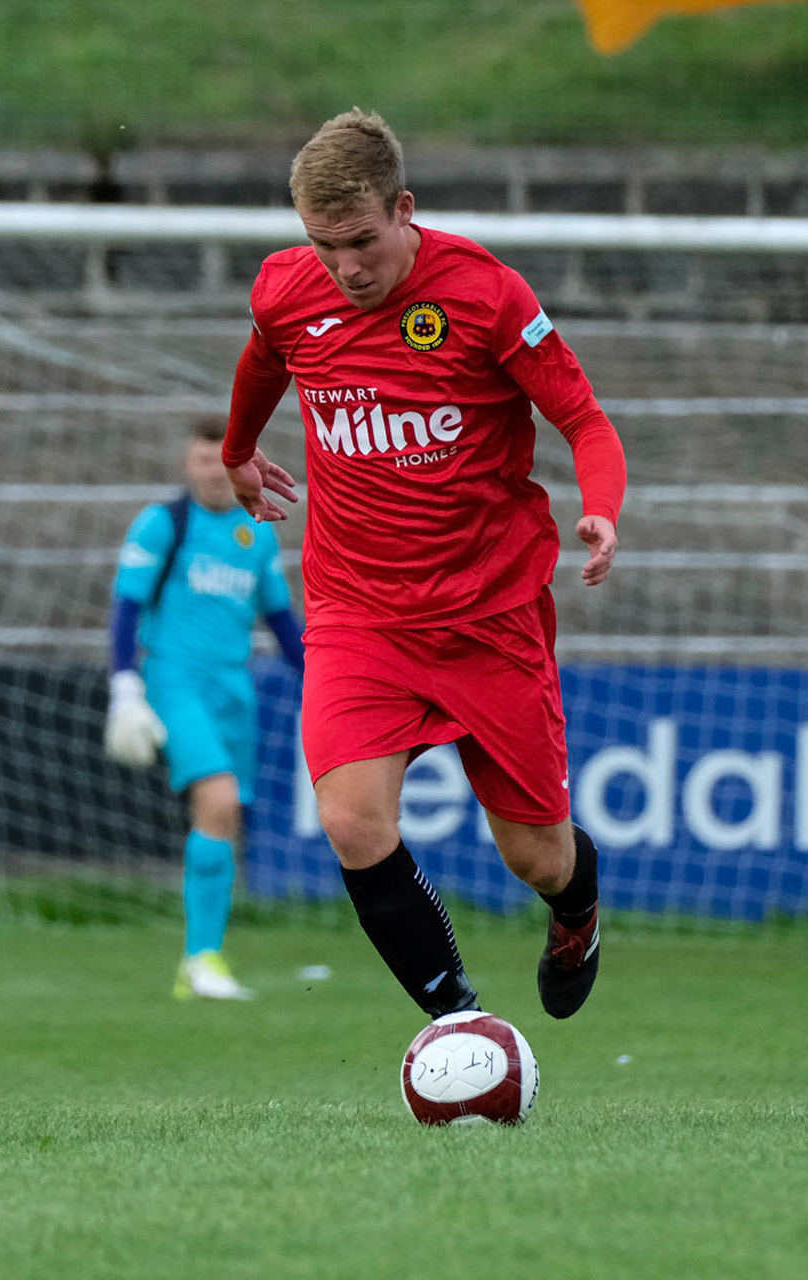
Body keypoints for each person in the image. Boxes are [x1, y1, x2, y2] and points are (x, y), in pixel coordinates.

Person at [220, 110, 626, 1021]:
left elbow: (585, 419)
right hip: (357, 612)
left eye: (362, 241)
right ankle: (461, 1029)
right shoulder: (288, 292)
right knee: (352, 820)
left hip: (490, 616)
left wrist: (601, 507)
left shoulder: (488, 296)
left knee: (538, 858)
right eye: (324, 246)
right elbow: (262, 360)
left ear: (404, 209)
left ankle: (577, 907)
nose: (345, 266)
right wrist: (239, 449)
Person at [105, 417, 305, 1000]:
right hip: (174, 682)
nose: (211, 473)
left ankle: (201, 963)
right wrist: (124, 686)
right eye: (199, 461)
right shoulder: (164, 523)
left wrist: (322, 681)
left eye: (220, 462)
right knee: (217, 799)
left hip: (233, 689)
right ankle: (201, 959)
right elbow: (125, 608)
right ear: (185, 466)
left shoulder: (255, 531)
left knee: (224, 818)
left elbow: (281, 622)